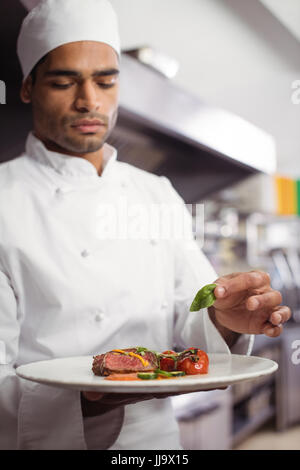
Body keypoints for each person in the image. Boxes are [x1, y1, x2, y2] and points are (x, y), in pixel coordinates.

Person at [0, 0, 290, 450]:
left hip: (155, 444)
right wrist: (90, 398)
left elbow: (191, 320)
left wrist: (225, 319)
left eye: (106, 80)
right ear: (28, 87)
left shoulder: (157, 193)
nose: (89, 101)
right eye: (63, 81)